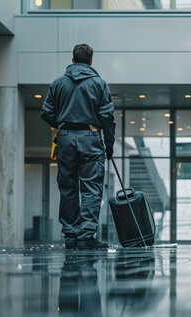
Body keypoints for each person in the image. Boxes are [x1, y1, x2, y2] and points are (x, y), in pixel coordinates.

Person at [41, 44, 115, 250]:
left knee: (68, 188)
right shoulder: (99, 84)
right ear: (91, 61)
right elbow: (107, 117)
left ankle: (71, 235)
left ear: (72, 60)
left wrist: (63, 124)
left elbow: (46, 112)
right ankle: (86, 235)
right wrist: (109, 145)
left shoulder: (58, 83)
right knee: (91, 189)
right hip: (90, 137)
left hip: (64, 139)